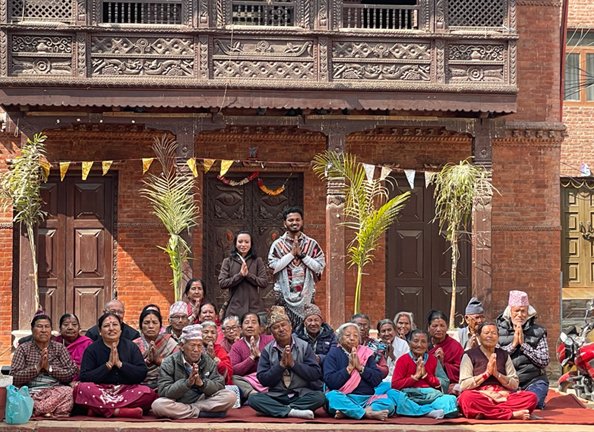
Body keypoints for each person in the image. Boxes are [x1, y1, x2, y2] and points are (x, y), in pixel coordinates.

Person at [248, 306, 326, 419]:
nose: (281, 329)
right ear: (271, 332)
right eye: (276, 327)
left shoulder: (304, 346)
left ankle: (277, 410)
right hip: (277, 395)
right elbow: (263, 379)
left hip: (300, 394)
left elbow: (315, 373)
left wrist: (293, 364)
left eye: (284, 325)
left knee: (320, 397)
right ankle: (293, 411)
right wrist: (280, 366)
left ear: (291, 327)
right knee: (253, 399)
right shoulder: (267, 350)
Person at [76, 312, 157, 418]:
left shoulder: (131, 347)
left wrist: (120, 364)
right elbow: (85, 376)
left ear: (121, 329)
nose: (111, 328)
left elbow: (141, 373)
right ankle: (119, 411)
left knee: (148, 393)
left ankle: (100, 409)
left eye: (115, 325)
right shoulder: (92, 349)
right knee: (82, 389)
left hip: (125, 391)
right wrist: (108, 366)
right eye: (106, 326)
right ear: (100, 331)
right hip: (101, 390)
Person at [151, 324, 237, 419]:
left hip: (201, 401)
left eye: (199, 346)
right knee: (158, 405)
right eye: (192, 345)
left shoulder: (208, 361)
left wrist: (202, 383)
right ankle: (201, 413)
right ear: (182, 346)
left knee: (230, 396)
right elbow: (164, 391)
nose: (196, 350)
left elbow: (219, 385)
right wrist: (187, 383)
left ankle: (190, 411)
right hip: (178, 400)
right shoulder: (169, 362)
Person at [458, 322, 538, 420]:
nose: (490, 336)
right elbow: (464, 385)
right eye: (486, 333)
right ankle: (512, 414)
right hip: (481, 396)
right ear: (479, 336)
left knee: (531, 397)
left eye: (493, 333)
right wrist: (486, 374)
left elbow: (515, 384)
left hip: (503, 397)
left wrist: (497, 374)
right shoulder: (469, 355)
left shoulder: (504, 355)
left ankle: (488, 413)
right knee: (466, 398)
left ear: (498, 337)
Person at [324, 323, 396, 421]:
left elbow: (376, 380)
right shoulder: (333, 354)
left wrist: (360, 368)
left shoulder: (366, 353)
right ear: (340, 339)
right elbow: (331, 382)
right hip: (345, 397)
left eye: (355, 335)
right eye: (348, 335)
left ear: (359, 339)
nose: (352, 338)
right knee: (332, 397)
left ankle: (350, 412)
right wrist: (349, 368)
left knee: (389, 404)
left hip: (366, 399)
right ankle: (366, 413)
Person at [268, 206, 325, 328]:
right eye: (291, 220)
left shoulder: (311, 244)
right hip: (283, 295)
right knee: (282, 328)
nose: (294, 222)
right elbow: (273, 268)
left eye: (297, 220)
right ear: (285, 223)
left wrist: (302, 256)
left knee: (306, 328)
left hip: (307, 296)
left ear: (302, 222)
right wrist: (291, 255)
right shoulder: (277, 245)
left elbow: (319, 267)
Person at [11, 314, 78, 417]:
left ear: (51, 330)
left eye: (47, 327)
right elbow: (14, 377)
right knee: (16, 395)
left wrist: (49, 368)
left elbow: (70, 374)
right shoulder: (23, 349)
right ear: (32, 329)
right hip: (30, 391)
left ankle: (37, 410)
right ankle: (49, 411)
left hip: (55, 391)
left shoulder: (59, 348)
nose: (43, 330)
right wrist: (37, 368)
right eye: (39, 326)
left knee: (69, 392)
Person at [497, 290, 550, 409]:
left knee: (534, 400)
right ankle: (517, 401)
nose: (519, 315)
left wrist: (524, 345)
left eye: (523, 311)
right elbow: (495, 359)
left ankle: (517, 401)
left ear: (528, 312)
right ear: (510, 312)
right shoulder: (497, 331)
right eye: (516, 311)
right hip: (506, 382)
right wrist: (513, 345)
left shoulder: (539, 331)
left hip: (533, 381)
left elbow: (544, 361)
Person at [391, 329, 458, 418]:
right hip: (409, 396)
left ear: (427, 345)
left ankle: (418, 410)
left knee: (450, 399)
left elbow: (444, 382)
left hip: (431, 396)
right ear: (409, 343)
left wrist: (426, 376)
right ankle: (429, 412)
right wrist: (415, 377)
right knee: (392, 394)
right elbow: (395, 384)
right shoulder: (402, 360)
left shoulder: (433, 360)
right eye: (415, 341)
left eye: (423, 342)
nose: (419, 345)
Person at [218, 230, 269, 319]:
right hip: (234, 308)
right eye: (240, 242)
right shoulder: (228, 261)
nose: (243, 245)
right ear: (235, 243)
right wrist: (240, 275)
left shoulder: (257, 261)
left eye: (246, 242)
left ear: (251, 244)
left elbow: (263, 282)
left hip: (254, 307)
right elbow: (222, 283)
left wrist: (248, 275)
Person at [229, 312, 274, 402]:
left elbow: (277, 363)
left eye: (254, 322)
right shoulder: (237, 346)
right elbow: (234, 370)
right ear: (241, 328)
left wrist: (260, 356)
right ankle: (255, 395)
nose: (250, 326)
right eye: (246, 322)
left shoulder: (270, 340)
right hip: (250, 383)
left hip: (268, 377)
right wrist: (251, 358)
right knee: (233, 378)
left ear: (260, 327)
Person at [132, 308, 179, 389]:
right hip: (138, 386)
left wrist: (159, 361)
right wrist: (146, 362)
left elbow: (178, 367)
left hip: (165, 385)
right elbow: (129, 371)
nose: (151, 326)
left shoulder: (170, 343)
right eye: (146, 323)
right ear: (140, 326)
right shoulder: (133, 345)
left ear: (160, 326)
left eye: (154, 323)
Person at [427, 310, 464, 390]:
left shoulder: (455, 346)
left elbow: (461, 370)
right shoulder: (423, 344)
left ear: (447, 327)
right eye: (435, 326)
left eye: (442, 326)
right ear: (428, 328)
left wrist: (443, 365)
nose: (438, 329)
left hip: (448, 384)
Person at [54, 313, 93, 380]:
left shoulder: (88, 343)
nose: (70, 328)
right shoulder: (54, 343)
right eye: (66, 325)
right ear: (60, 328)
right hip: (58, 379)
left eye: (74, 325)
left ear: (79, 328)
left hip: (82, 380)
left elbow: (91, 367)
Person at [351, 313, 389, 378]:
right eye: (359, 325)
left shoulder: (377, 345)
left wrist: (367, 365)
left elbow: (385, 371)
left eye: (365, 325)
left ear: (369, 328)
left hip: (370, 379)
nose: (362, 328)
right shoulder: (344, 344)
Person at [202, 321, 233, 385]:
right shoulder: (195, 348)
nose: (209, 335)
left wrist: (214, 358)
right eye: (206, 332)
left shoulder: (219, 349)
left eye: (213, 333)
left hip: (217, 384)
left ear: (217, 336)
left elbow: (229, 371)